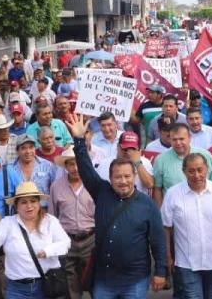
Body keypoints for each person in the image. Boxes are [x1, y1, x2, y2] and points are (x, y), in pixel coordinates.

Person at [66, 114, 168, 296]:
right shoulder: (101, 192)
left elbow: (158, 242)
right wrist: (79, 141)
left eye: (127, 176)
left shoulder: (147, 205)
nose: (123, 181)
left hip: (135, 280)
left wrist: (160, 272)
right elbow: (86, 169)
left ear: (134, 176)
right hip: (104, 280)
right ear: (110, 179)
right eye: (117, 177)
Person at [0, 181, 71, 299]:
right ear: (16, 206)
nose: (29, 206)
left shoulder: (50, 221)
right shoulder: (7, 223)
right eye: (24, 202)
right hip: (17, 289)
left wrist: (48, 251)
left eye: (33, 201)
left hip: (46, 285)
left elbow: (65, 243)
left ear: (39, 203)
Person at [161, 154, 212, 299]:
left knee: (211, 295)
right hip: (186, 262)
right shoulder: (173, 194)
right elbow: (165, 227)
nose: (196, 175)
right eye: (191, 171)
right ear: (184, 171)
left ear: (207, 169)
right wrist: (167, 256)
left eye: (200, 170)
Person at [48, 150, 95, 299]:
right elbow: (52, 216)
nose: (75, 168)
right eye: (71, 164)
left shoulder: (94, 184)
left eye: (78, 163)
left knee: (96, 280)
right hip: (67, 240)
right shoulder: (56, 187)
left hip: (91, 239)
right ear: (65, 166)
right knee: (70, 284)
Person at [153, 123, 212, 206]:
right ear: (170, 140)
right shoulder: (161, 159)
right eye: (174, 140)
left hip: (204, 207)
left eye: (181, 139)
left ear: (189, 138)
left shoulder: (205, 155)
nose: (178, 143)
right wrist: (161, 213)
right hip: (174, 210)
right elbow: (157, 189)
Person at [10, 135, 57, 206]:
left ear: (35, 148)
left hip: (43, 211)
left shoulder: (48, 166)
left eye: (31, 147)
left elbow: (55, 190)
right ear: (17, 151)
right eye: (23, 148)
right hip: (19, 212)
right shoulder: (10, 169)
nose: (28, 151)